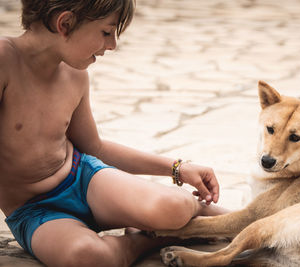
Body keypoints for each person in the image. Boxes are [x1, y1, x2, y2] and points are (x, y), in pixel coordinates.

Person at [0, 0, 228, 266]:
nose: (112, 45)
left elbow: (94, 149)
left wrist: (177, 168)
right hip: (34, 210)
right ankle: (145, 240)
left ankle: (228, 218)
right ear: (65, 24)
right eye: (106, 32)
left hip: (84, 179)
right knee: (86, 258)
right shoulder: (5, 61)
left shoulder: (74, 75)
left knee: (173, 208)